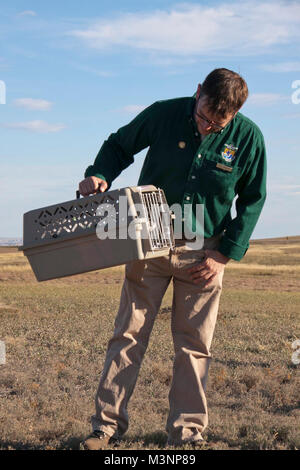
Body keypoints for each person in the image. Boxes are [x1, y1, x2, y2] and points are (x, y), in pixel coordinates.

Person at [78, 68, 267, 449]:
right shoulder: (163, 114)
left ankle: (186, 436)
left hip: (205, 253)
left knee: (194, 345)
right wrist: (99, 175)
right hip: (147, 242)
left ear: (235, 114)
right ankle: (105, 428)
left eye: (218, 123)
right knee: (127, 335)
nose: (208, 126)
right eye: (203, 116)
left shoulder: (249, 139)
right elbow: (118, 146)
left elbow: (253, 198)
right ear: (197, 92)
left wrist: (223, 255)